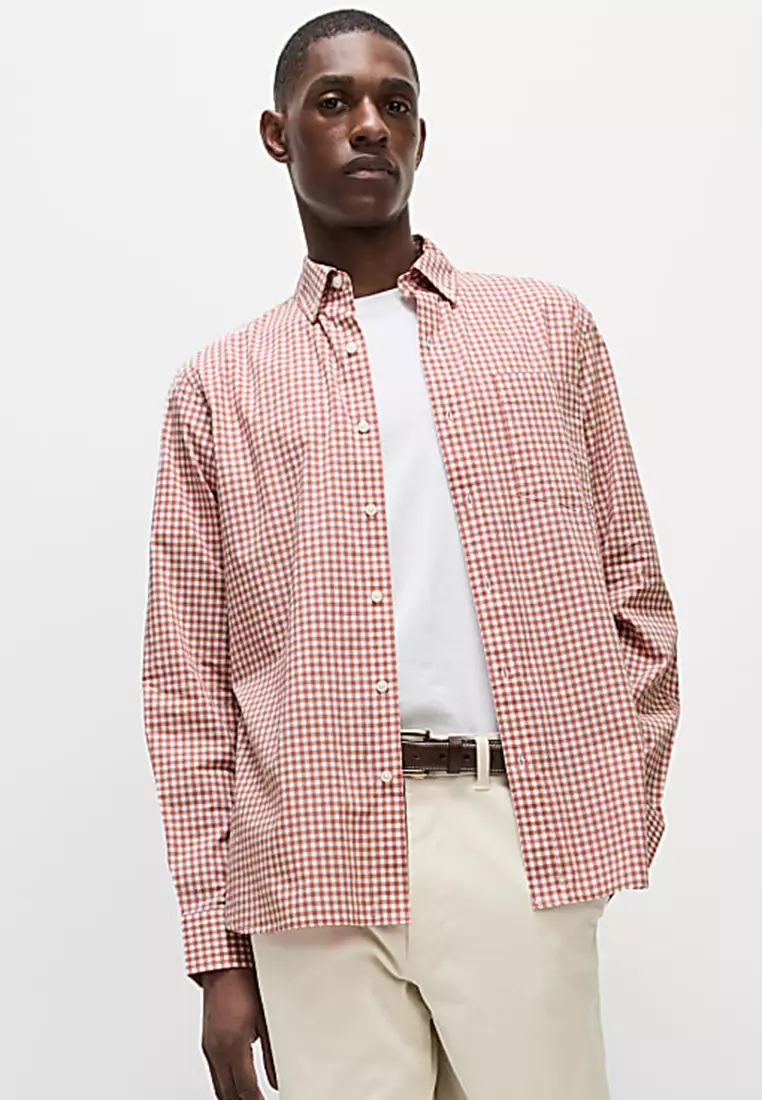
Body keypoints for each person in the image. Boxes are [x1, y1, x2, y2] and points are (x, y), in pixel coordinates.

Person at [141, 8, 681, 1100]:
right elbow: (186, 682)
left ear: (421, 137)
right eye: (333, 102)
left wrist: (610, 793)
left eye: (395, 104)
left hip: (512, 833)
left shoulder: (546, 331)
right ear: (277, 133)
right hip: (307, 855)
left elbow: (637, 595)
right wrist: (216, 950)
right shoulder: (219, 386)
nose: (369, 125)